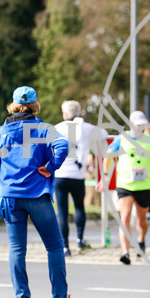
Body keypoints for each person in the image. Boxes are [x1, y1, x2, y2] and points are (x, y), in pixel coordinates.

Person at [0, 86, 83, 298]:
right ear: (35, 105)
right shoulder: (42, 129)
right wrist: (50, 167)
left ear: (13, 105)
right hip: (36, 195)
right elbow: (62, 145)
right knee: (54, 246)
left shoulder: (3, 133)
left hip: (10, 197)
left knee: (17, 249)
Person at [106, 111, 150, 265]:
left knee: (141, 221)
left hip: (144, 185)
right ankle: (125, 252)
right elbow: (108, 155)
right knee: (125, 217)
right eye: (137, 124)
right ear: (131, 124)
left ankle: (141, 240)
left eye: (143, 124)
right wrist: (106, 176)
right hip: (125, 184)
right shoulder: (122, 138)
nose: (140, 127)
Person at [54, 100, 104, 256]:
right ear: (78, 113)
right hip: (77, 174)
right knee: (79, 208)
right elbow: (104, 134)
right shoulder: (85, 128)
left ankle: (64, 246)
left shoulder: (57, 128)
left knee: (62, 211)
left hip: (60, 174)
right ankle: (80, 240)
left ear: (64, 113)